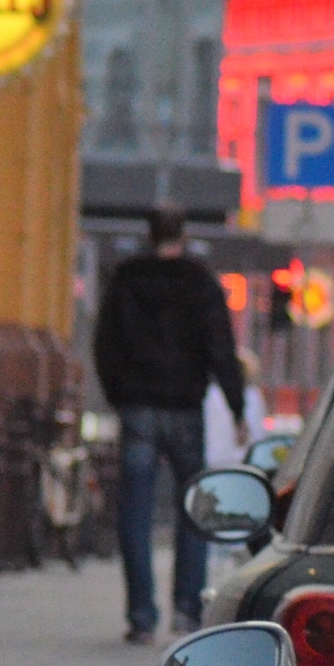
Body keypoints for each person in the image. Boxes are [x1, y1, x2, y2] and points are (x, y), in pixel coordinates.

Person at [92, 206, 247, 643]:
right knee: (193, 511)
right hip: (184, 408)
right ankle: (186, 611)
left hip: (138, 406)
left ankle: (141, 618)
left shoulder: (126, 280)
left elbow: (105, 343)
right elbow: (221, 348)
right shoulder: (200, 284)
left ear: (148, 234)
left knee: (135, 513)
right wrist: (237, 410)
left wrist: (118, 394)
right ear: (183, 235)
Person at [204, 348, 267, 469]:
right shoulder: (253, 395)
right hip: (247, 463)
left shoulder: (210, 394)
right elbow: (259, 432)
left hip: (214, 461)